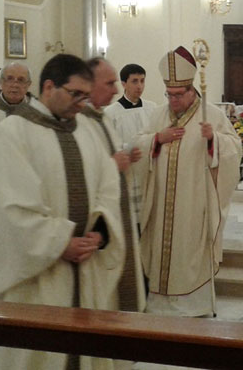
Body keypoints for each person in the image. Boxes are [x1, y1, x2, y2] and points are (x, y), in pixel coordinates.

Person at [0, 54, 125, 370]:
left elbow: (108, 184)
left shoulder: (86, 130)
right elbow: (8, 208)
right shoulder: (13, 133)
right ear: (48, 87)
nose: (81, 104)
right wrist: (60, 242)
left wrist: (101, 229)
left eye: (86, 96)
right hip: (35, 276)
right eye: (75, 94)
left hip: (84, 270)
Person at [135, 46, 241, 316]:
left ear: (192, 91)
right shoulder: (158, 115)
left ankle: (193, 305)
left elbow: (234, 149)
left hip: (193, 204)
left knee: (189, 252)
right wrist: (157, 139)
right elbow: (138, 145)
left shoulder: (212, 115)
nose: (173, 100)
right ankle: (159, 304)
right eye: (169, 95)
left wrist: (213, 140)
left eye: (178, 95)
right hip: (160, 205)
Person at [78, 57, 145, 312]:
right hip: (93, 228)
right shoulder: (80, 122)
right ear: (89, 84)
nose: (116, 90)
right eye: (109, 83)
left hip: (111, 218)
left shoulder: (100, 118)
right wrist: (112, 165)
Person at [106, 63, 157, 219]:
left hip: (149, 173)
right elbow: (109, 146)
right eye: (134, 81)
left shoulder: (152, 108)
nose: (139, 86)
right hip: (127, 175)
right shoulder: (111, 113)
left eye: (142, 81)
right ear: (123, 84)